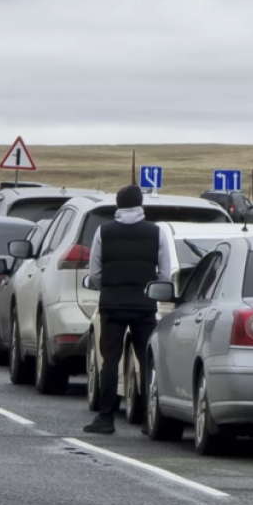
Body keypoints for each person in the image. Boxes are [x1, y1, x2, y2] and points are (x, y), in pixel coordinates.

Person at [83, 185, 172, 435]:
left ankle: (105, 418)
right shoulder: (156, 232)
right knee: (146, 361)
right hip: (144, 304)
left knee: (110, 360)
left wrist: (109, 288)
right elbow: (164, 273)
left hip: (111, 304)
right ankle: (147, 418)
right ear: (140, 203)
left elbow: (95, 272)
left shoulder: (104, 232)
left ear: (118, 204)